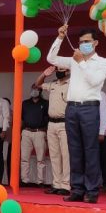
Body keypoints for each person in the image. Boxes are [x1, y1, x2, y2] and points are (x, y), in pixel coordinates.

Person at [48, 25, 106, 203]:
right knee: (74, 150)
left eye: (87, 41)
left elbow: (94, 81)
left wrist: (81, 62)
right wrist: (60, 38)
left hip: (89, 108)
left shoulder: (103, 62)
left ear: (96, 43)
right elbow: (51, 58)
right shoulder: (73, 60)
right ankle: (76, 189)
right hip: (72, 108)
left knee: (90, 150)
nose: (83, 44)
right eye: (81, 42)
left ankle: (91, 191)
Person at [36, 66, 71, 195]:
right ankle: (56, 184)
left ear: (67, 71)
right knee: (54, 155)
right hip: (51, 123)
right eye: (57, 70)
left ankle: (66, 185)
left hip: (64, 123)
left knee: (66, 155)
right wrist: (44, 74)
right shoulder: (53, 84)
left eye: (61, 70)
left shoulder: (72, 84)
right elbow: (37, 84)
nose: (58, 72)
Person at [20, 87, 49, 187]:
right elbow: (21, 119)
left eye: (36, 89)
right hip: (26, 132)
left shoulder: (45, 103)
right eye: (33, 88)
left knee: (41, 159)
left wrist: (46, 132)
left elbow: (48, 119)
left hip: (39, 132)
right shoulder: (25, 103)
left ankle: (40, 181)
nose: (34, 91)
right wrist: (20, 132)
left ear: (40, 91)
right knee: (24, 158)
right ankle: (24, 180)